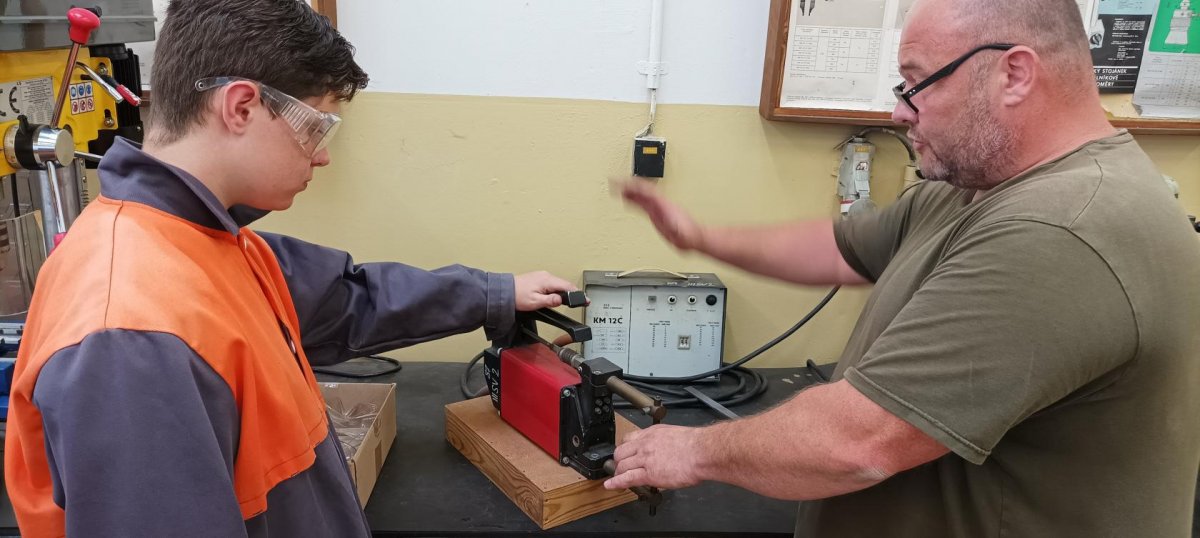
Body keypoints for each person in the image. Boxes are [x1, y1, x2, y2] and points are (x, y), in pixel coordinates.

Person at [604, 0, 1200, 536]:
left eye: (917, 84)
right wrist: (700, 238)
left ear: (1014, 74)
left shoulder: (1060, 228)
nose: (898, 112)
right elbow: (842, 248)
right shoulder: (975, 187)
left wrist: (694, 451)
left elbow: (856, 442)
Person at [3, 0, 577, 536]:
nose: (322, 155)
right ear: (242, 107)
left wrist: (497, 292)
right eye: (317, 126)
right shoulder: (131, 340)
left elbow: (352, 300)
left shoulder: (212, 244)